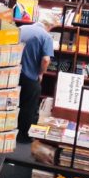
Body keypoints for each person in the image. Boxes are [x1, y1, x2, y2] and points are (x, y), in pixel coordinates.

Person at [18, 11, 58, 142]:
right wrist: (41, 73)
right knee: (28, 107)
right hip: (30, 76)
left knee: (13, 105)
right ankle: (23, 137)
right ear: (49, 25)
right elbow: (46, 60)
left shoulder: (21, 29)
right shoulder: (46, 36)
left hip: (13, 74)